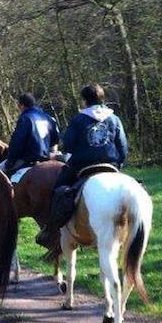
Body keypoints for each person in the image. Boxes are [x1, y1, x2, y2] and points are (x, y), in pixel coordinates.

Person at [36, 83, 129, 249]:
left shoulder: (79, 119)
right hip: (110, 165)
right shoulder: (114, 119)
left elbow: (68, 145)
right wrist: (119, 164)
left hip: (83, 166)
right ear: (102, 98)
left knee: (59, 189)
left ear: (85, 101)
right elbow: (123, 147)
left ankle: (50, 229)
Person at [0, 92, 59, 176]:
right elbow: (55, 140)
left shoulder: (25, 118)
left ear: (22, 105)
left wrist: (10, 161)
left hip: (27, 159)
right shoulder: (48, 117)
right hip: (46, 158)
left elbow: (17, 142)